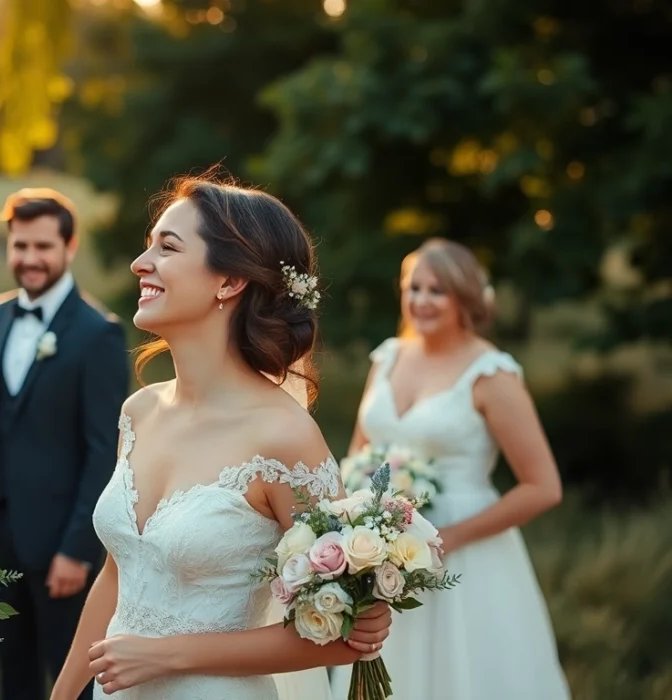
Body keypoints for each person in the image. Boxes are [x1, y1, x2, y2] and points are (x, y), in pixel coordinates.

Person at [49, 173, 392, 700]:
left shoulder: (285, 438)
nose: (141, 264)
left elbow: (341, 630)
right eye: (148, 247)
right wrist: (65, 693)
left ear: (229, 282)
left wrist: (164, 654)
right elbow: (120, 573)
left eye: (167, 248)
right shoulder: (138, 412)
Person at [330, 238, 569, 699]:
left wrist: (447, 540)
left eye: (436, 290)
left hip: (467, 555)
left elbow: (543, 487)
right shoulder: (387, 358)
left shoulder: (491, 374)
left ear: (465, 297)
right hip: (383, 558)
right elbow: (358, 455)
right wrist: (352, 527)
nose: (420, 300)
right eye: (412, 287)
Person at [0, 188, 130, 700]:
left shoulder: (98, 333)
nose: (29, 259)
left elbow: (105, 450)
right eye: (20, 246)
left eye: (42, 247)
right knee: (13, 672)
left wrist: (77, 550)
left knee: (71, 676)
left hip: (60, 546)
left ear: (69, 246)